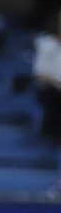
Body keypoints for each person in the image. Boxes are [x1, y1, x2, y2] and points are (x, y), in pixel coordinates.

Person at [35, 13, 61, 145]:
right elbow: (40, 73)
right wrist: (57, 82)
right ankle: (53, 134)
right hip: (51, 88)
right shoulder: (46, 43)